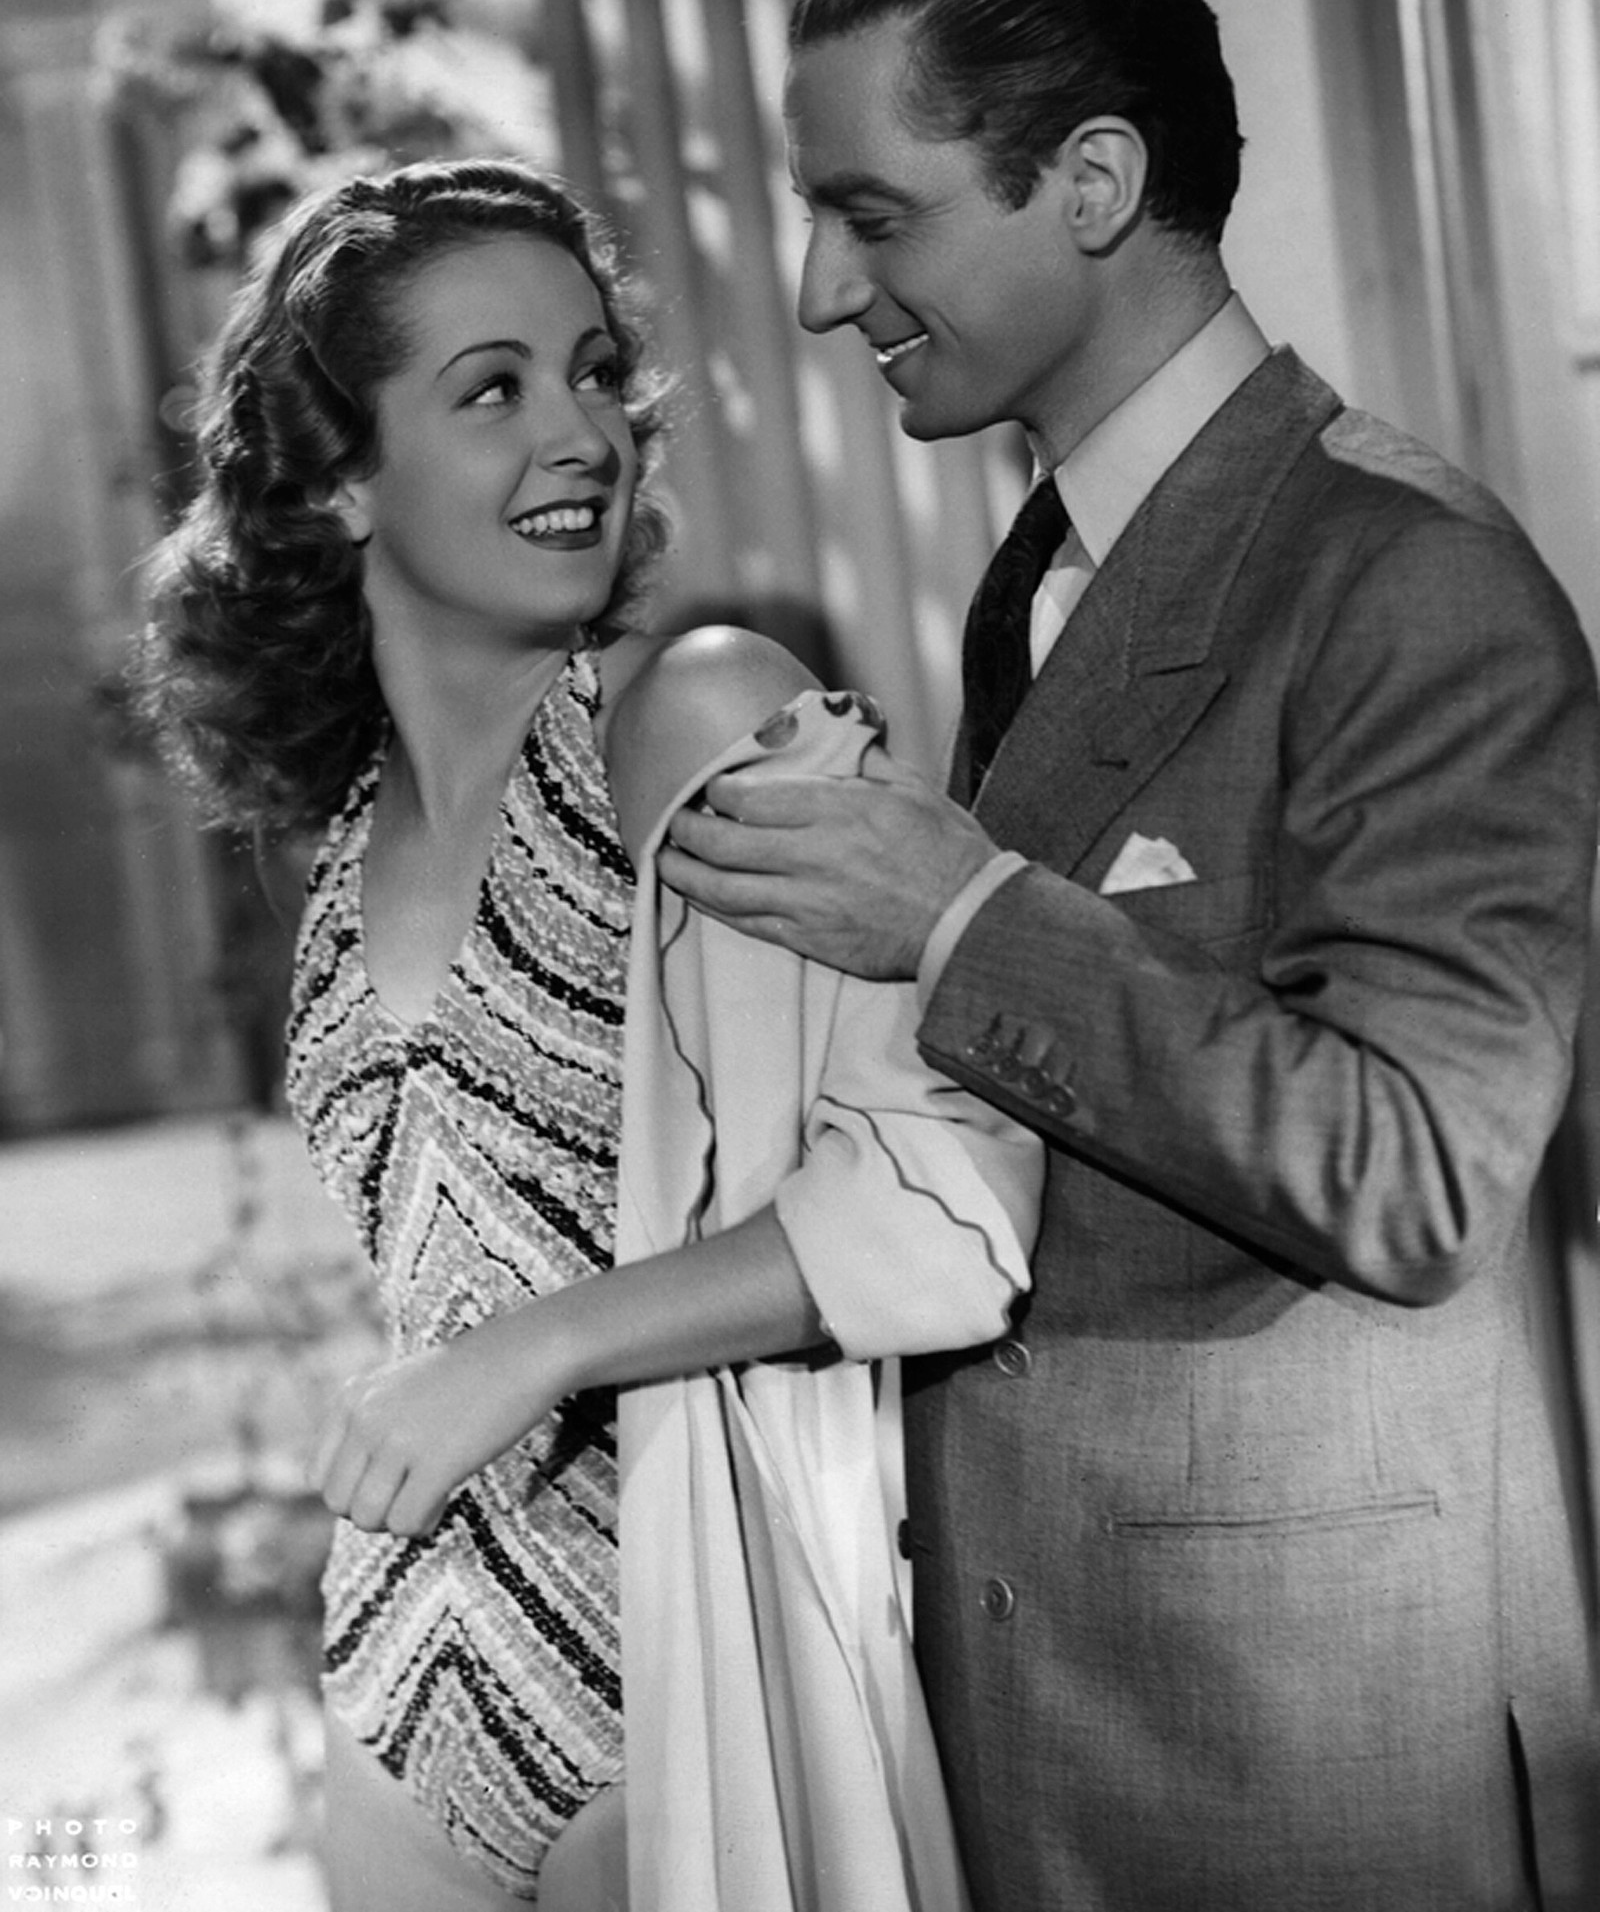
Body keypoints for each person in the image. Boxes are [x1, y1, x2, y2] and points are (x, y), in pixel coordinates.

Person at [657, 0, 1600, 1911]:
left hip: (1321, 1762)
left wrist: (960, 920)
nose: (818, 289)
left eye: (872, 214)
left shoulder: (1409, 578)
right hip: (1066, 1734)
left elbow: (1419, 1172)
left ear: (1090, 182)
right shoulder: (1041, 575)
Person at [122, 156, 1042, 1911]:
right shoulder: (334, 848)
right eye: (493, 390)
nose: (584, 434)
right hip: (401, 1691)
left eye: (596, 370)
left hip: (682, 1656)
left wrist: (530, 1352)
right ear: (338, 481)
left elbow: (946, 1203)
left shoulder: (696, 719)